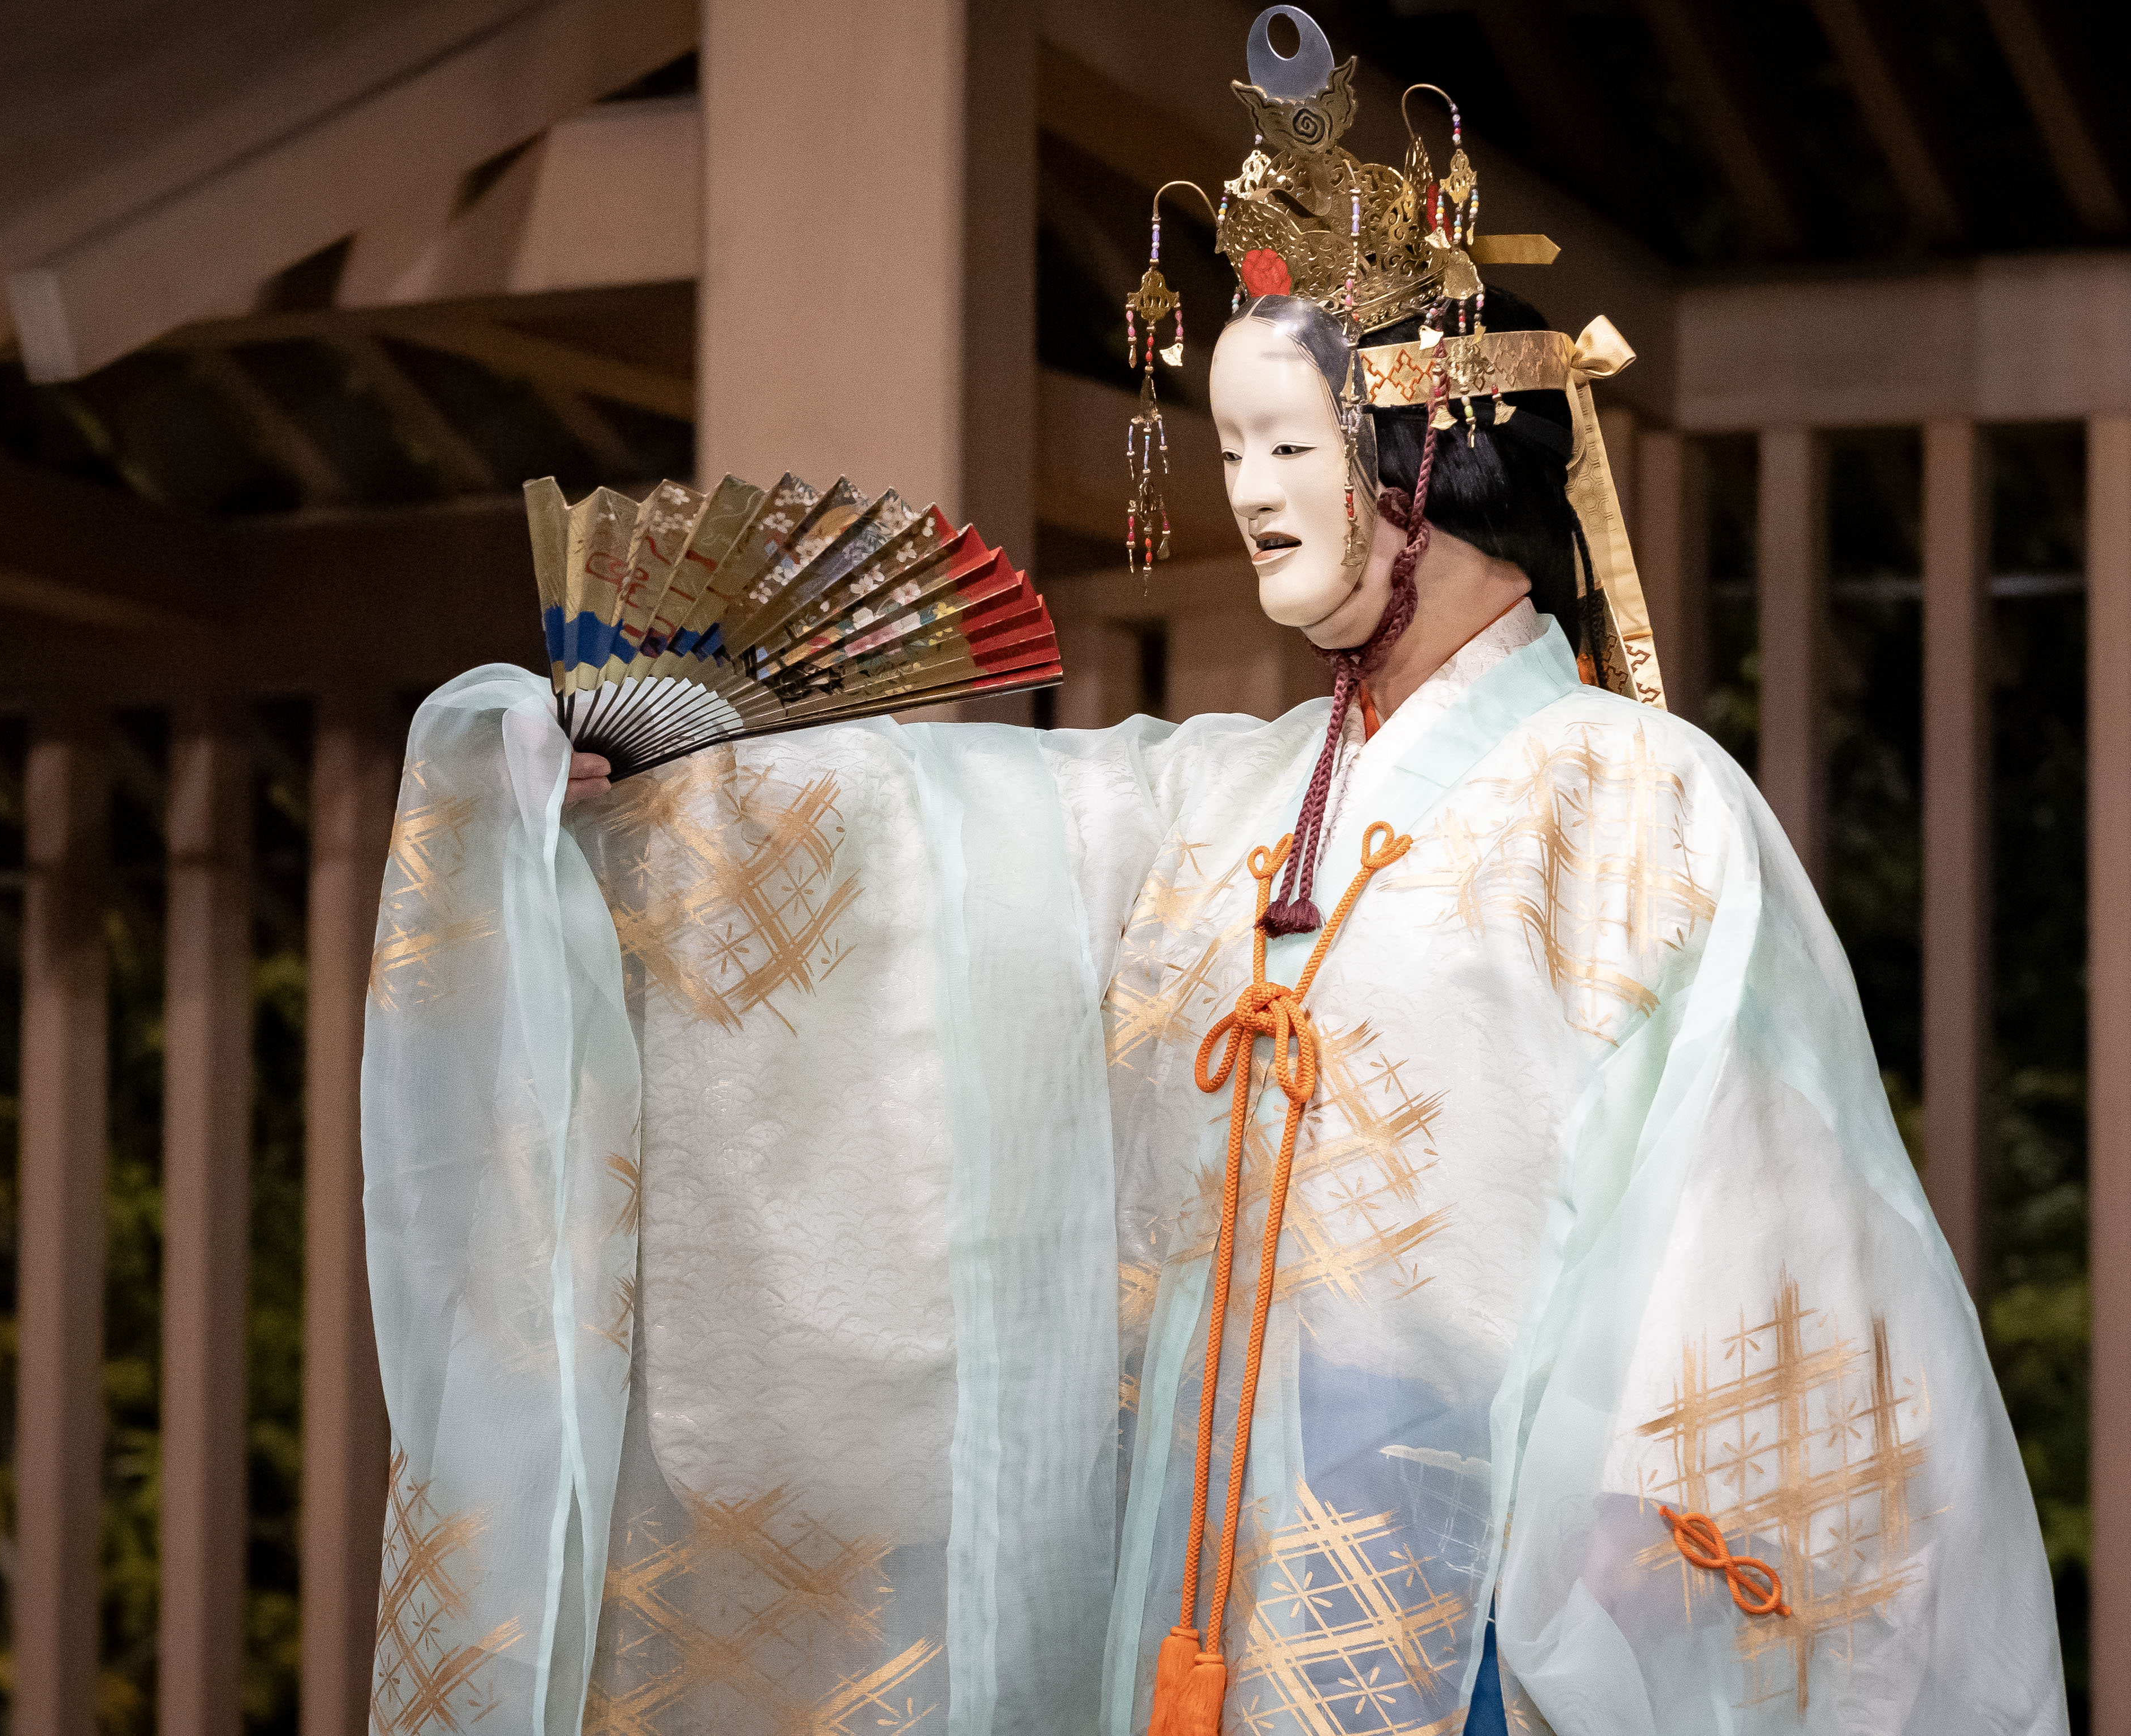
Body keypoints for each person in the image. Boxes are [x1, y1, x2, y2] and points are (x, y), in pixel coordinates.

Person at [359, 10, 2064, 1732]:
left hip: (1483, 1575)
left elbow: (1756, 1233)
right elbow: (947, 847)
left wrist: (1628, 1570)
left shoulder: (1641, 812)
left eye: (1291, 446)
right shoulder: (1216, 806)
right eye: (1230, 448)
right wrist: (682, 786)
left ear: (1429, 454)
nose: (1250, 492)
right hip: (1185, 1549)